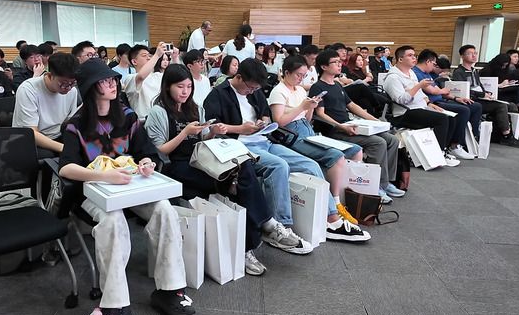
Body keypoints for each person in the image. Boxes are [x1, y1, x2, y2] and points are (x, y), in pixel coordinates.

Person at [59, 60, 194, 315]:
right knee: (112, 221)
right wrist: (103, 175)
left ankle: (170, 290)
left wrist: (146, 163)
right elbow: (66, 168)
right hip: (94, 191)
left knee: (165, 210)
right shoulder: (75, 125)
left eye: (113, 79)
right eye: (104, 81)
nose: (112, 84)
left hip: (130, 186)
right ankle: (115, 303)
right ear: (90, 87)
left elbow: (145, 151)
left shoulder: (127, 116)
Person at [145, 64, 312, 272]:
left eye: (188, 87)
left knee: (244, 165)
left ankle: (257, 234)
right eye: (180, 87)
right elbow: (161, 151)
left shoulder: (194, 108)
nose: (185, 92)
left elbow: (203, 139)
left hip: (202, 157)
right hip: (178, 165)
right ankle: (258, 234)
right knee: (239, 184)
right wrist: (185, 133)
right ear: (167, 87)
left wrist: (213, 132)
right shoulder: (158, 112)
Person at [204, 58, 370, 242]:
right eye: (250, 88)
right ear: (239, 77)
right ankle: (280, 226)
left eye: (256, 89)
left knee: (310, 165)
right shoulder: (218, 94)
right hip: (239, 145)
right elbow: (213, 127)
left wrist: (263, 123)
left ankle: (332, 218)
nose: (252, 91)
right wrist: (240, 129)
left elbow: (266, 114)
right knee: (279, 166)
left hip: (264, 140)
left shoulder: (256, 91)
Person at [311, 50, 408, 202]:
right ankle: (376, 185)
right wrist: (341, 127)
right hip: (335, 130)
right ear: (323, 67)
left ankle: (385, 182)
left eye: (339, 62)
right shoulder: (317, 87)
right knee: (378, 142)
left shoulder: (336, 85)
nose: (339, 64)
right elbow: (320, 114)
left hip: (350, 125)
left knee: (392, 140)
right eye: (335, 62)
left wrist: (376, 121)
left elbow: (352, 106)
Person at [269, 55, 366, 202]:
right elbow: (279, 122)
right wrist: (302, 107)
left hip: (308, 130)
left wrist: (311, 107)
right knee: (336, 156)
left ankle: (352, 195)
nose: (301, 79)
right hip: (292, 134)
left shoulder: (300, 90)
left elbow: (308, 119)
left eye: (304, 75)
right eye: (298, 75)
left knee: (356, 150)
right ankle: (335, 201)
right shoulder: (278, 91)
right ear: (287, 72)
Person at [383, 45, 461, 166]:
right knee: (442, 119)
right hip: (405, 113)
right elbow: (401, 100)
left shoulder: (411, 73)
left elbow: (420, 94)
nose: (414, 58)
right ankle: (438, 154)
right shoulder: (393, 77)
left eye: (414, 55)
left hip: (420, 107)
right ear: (400, 59)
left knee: (451, 117)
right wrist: (419, 85)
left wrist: (430, 104)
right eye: (410, 55)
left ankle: (444, 149)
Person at [452, 45, 519, 147]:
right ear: (462, 56)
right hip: (472, 99)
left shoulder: (474, 71)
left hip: (481, 97)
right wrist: (482, 94)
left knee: (512, 105)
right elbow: (464, 90)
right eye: (470, 53)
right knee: (501, 106)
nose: (474, 56)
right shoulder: (459, 72)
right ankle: (506, 135)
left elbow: (480, 86)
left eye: (475, 53)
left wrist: (486, 93)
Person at [412, 49, 480, 159]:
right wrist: (443, 90)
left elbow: (439, 91)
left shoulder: (426, 74)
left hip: (440, 100)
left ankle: (468, 140)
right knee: (463, 111)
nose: (434, 66)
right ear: (428, 62)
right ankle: (454, 145)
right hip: (432, 103)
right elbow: (433, 91)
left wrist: (457, 98)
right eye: (434, 63)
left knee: (472, 106)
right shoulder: (416, 73)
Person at [13, 53, 80, 158]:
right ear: (49, 75)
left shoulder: (72, 91)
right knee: (50, 157)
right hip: (30, 139)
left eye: (72, 83)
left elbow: (69, 123)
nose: (68, 88)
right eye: (63, 83)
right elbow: (32, 133)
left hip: (58, 135)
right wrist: (65, 148)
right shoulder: (28, 89)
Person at [480, 53, 519, 122]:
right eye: (503, 65)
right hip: (492, 94)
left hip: (502, 92)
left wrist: (507, 84)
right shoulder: (487, 71)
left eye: (506, 66)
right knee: (518, 93)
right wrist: (500, 85)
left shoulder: (504, 71)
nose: (504, 67)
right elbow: (485, 86)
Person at [123, 42, 170, 118]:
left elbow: (176, 79)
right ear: (134, 61)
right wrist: (157, 55)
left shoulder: (158, 75)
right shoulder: (130, 78)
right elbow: (141, 76)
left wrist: (175, 57)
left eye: (149, 56)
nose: (149, 58)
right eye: (144, 55)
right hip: (144, 121)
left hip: (163, 118)